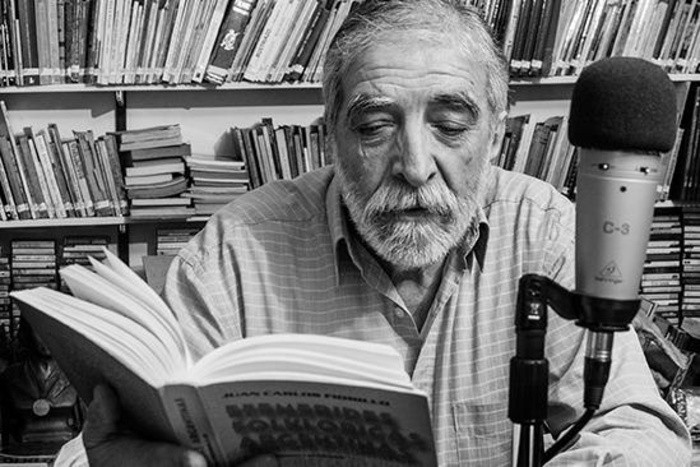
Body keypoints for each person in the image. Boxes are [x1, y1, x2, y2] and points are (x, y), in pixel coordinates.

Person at [55, 1, 691, 465]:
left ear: (497, 134)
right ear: (330, 135)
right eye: (374, 127)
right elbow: (101, 449)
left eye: (450, 125)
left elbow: (640, 428)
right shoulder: (234, 255)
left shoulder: (545, 231)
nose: (414, 166)